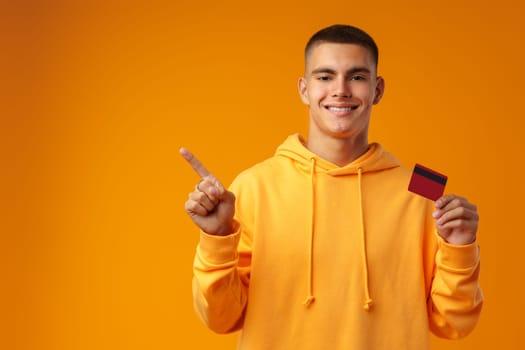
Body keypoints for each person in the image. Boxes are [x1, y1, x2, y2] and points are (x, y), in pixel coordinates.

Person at [180, 24, 483, 350]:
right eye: (325, 77)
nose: (341, 90)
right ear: (304, 89)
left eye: (356, 77)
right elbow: (220, 318)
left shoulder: (424, 189)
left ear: (378, 89)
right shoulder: (252, 187)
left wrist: (461, 249)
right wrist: (217, 238)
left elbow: (454, 323)